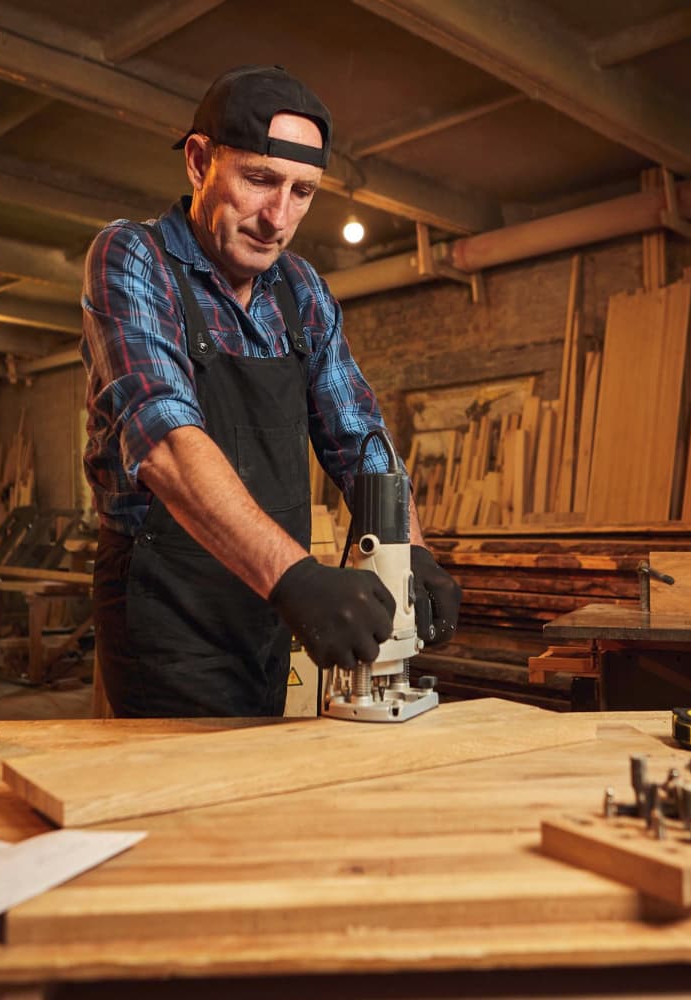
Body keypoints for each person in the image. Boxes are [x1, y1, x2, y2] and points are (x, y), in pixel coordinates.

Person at [81, 64, 461, 718]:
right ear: (199, 163)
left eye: (303, 191)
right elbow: (166, 440)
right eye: (259, 180)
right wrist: (298, 577)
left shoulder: (302, 290)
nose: (277, 218)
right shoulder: (132, 258)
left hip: (267, 606)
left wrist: (411, 550)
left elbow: (359, 438)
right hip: (166, 610)